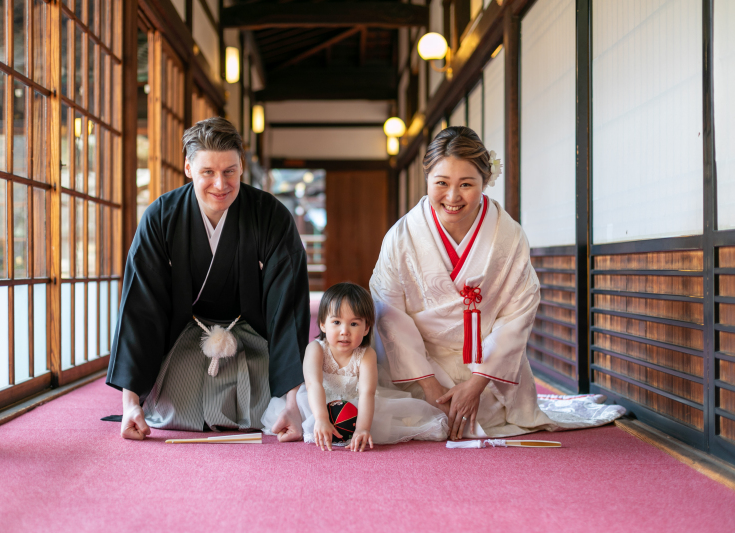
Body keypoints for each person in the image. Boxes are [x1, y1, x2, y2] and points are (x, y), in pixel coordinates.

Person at [370, 127, 624, 441]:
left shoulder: (508, 235)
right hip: (420, 367)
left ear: (485, 181)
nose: (452, 196)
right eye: (442, 183)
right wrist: (431, 386)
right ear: (427, 179)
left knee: (484, 414)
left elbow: (519, 311)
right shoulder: (401, 237)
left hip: (486, 366)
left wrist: (476, 384)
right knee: (412, 414)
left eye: (466, 184)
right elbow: (389, 311)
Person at [106, 117, 310, 441]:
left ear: (242, 166)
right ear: (188, 168)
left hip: (251, 338)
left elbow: (289, 308)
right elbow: (140, 308)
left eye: (229, 171)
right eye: (208, 173)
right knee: (176, 412)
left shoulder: (271, 216)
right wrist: (131, 402)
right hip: (186, 336)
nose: (220, 184)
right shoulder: (161, 217)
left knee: (262, 412)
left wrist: (292, 402)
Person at [262, 283, 449, 450]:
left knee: (391, 422)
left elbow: (367, 393)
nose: (345, 331)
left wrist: (362, 428)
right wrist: (320, 418)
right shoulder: (316, 349)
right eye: (336, 322)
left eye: (353, 324)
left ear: (366, 328)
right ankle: (319, 424)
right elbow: (313, 385)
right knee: (307, 416)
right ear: (322, 324)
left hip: (357, 407)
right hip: (317, 403)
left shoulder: (366, 355)